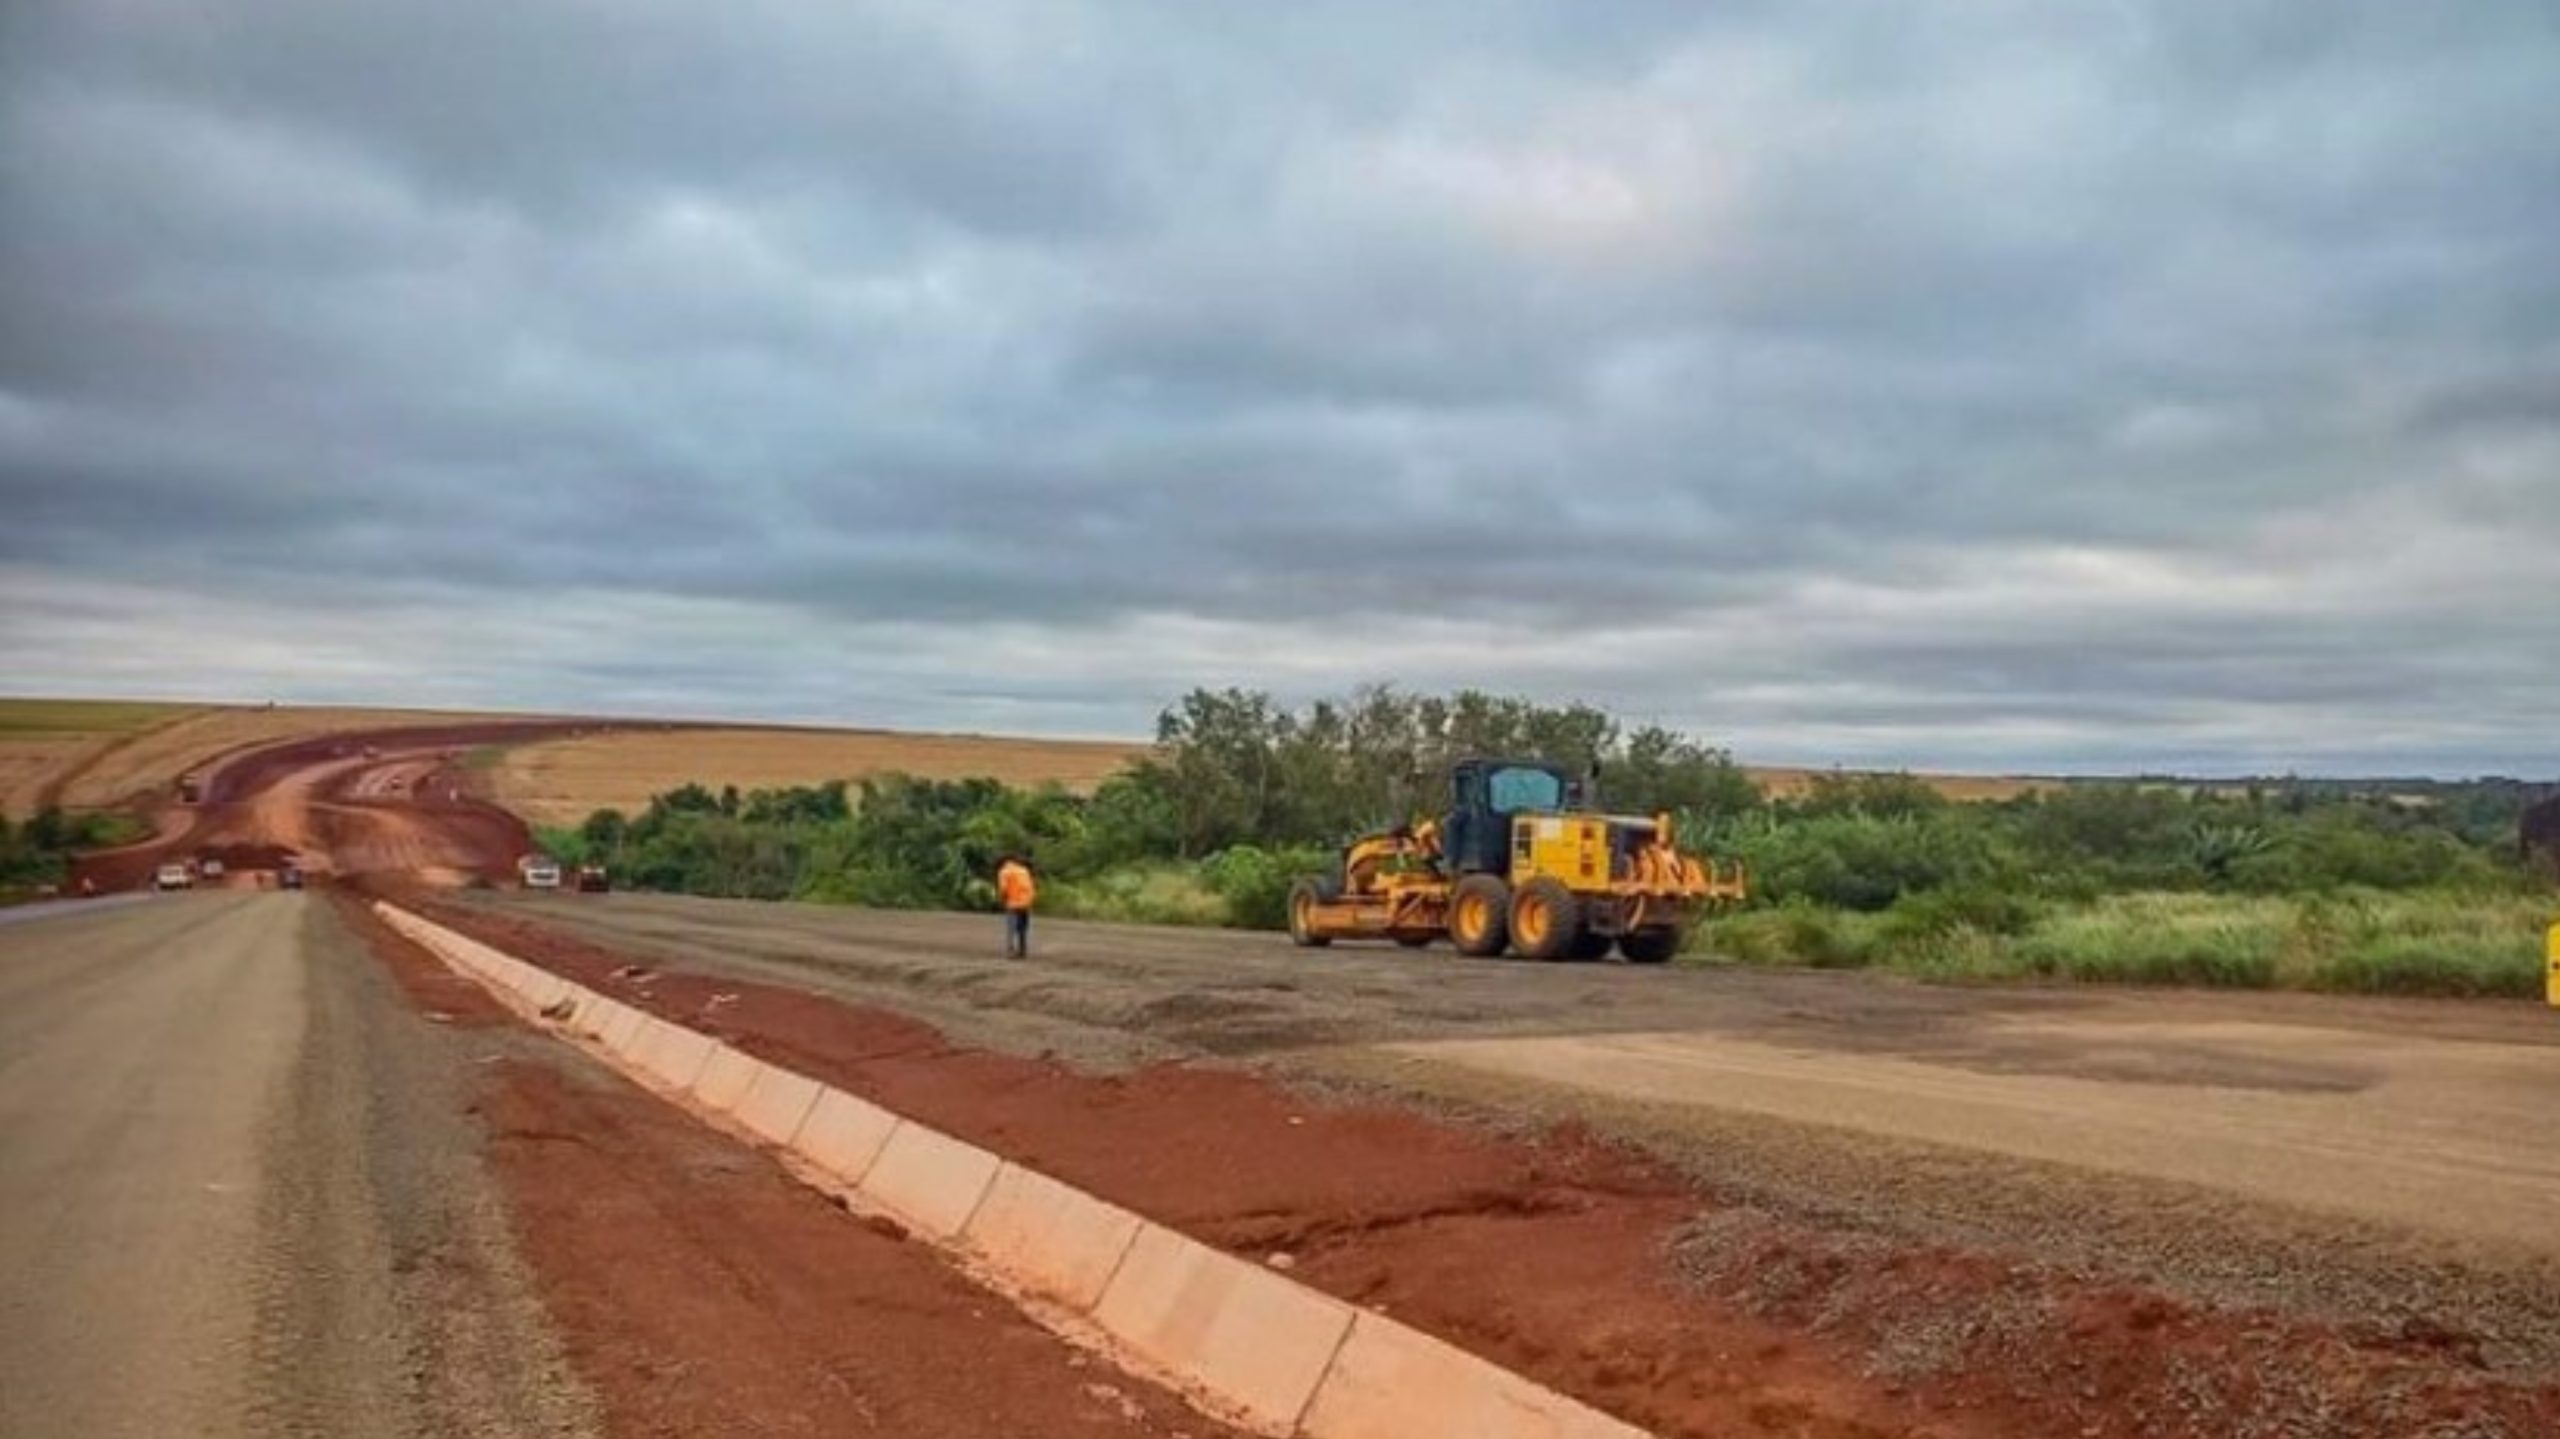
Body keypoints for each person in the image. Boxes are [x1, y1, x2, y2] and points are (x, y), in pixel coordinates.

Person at [996, 853, 1037, 958]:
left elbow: (1003, 888)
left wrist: (1002, 900)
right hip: (1026, 902)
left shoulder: (1004, 872)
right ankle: (1023, 950)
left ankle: (1011, 951)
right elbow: (1031, 886)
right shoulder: (1024, 870)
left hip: (1013, 903)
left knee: (1011, 928)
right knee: (1022, 928)